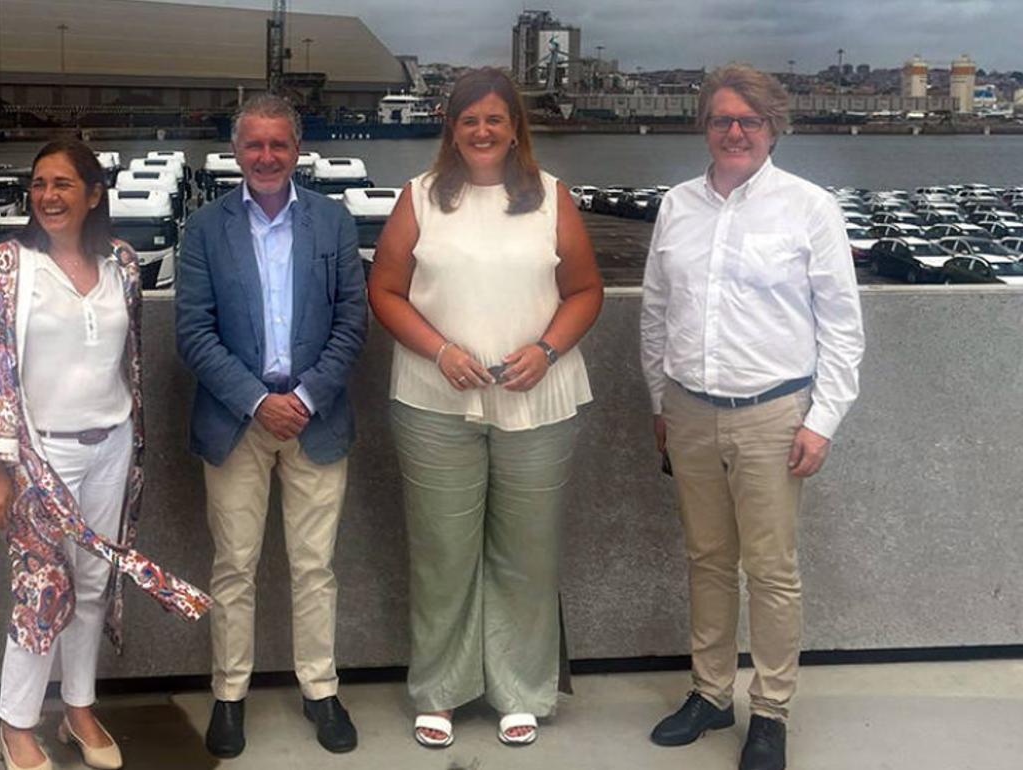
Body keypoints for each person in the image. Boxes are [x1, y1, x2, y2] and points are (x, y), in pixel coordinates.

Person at [368, 67, 603, 748]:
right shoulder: (418, 198)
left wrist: (549, 350)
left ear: (514, 128)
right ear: (451, 127)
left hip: (540, 402)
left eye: (495, 119)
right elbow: (385, 290)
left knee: (527, 553)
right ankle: (440, 689)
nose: (482, 131)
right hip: (434, 401)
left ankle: (519, 688)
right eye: (469, 119)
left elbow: (585, 290)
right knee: (442, 552)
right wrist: (439, 350)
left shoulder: (551, 197)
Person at [640, 64, 865, 770]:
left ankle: (770, 710)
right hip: (689, 410)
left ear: (774, 129)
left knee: (770, 571)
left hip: (773, 415)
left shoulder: (810, 209)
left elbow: (843, 326)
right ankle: (710, 694)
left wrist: (821, 419)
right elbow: (655, 313)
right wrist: (659, 404)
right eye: (721, 120)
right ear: (704, 127)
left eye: (749, 121)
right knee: (707, 561)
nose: (734, 132)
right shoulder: (677, 205)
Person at [0, 139, 211, 770]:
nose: (47, 196)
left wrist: (134, 444)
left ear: (94, 195)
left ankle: (78, 707)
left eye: (63, 185)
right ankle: (17, 722)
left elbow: (128, 359)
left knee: (94, 581)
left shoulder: (123, 264)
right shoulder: (7, 265)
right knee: (39, 589)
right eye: (39, 184)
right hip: (37, 457)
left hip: (110, 448)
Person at [174, 94, 368, 758]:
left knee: (315, 566)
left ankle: (321, 689)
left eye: (277, 144)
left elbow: (352, 323)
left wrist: (306, 397)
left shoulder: (333, 224)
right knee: (234, 566)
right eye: (253, 145)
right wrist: (258, 402)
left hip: (316, 417)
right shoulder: (202, 229)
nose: (265, 156)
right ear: (237, 152)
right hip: (236, 421)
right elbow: (193, 333)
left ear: (296, 149)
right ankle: (229, 696)